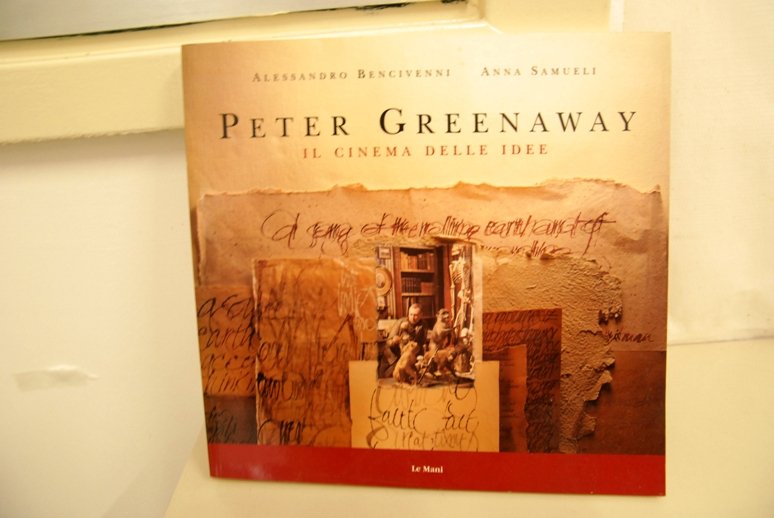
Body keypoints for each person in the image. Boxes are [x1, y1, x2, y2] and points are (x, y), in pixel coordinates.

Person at [379, 303, 427, 378]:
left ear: (421, 315)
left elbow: (421, 343)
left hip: (407, 360)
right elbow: (388, 342)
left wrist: (420, 357)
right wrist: (394, 341)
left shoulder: (423, 325)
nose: (412, 317)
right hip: (392, 360)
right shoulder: (400, 322)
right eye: (411, 314)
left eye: (415, 315)